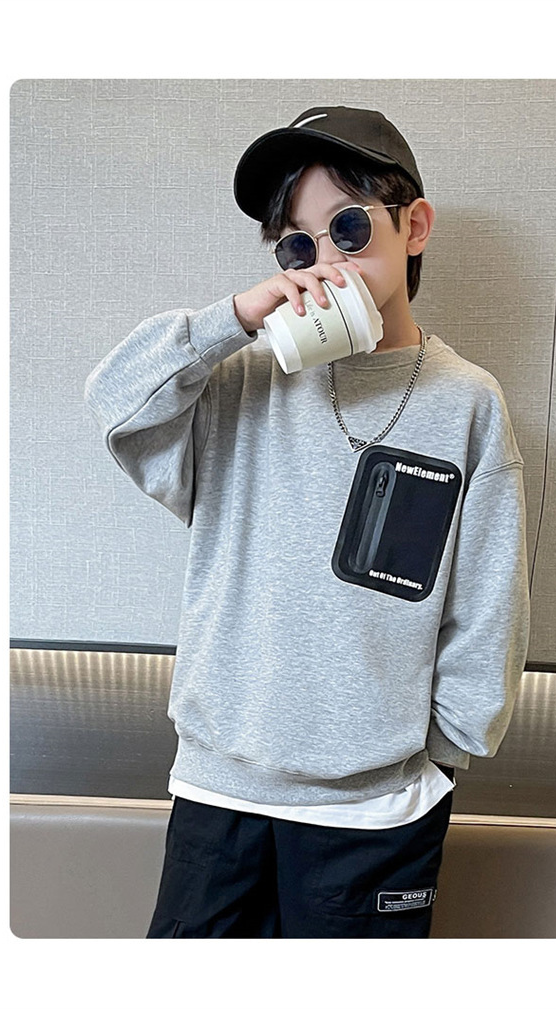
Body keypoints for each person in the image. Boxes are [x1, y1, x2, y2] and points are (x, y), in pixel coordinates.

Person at [84, 105, 530, 939]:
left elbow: (488, 603)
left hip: (376, 811)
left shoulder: (467, 402)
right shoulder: (240, 382)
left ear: (414, 227)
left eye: (348, 228)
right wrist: (232, 320)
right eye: (296, 244)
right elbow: (115, 403)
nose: (324, 261)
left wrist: (440, 757)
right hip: (218, 792)